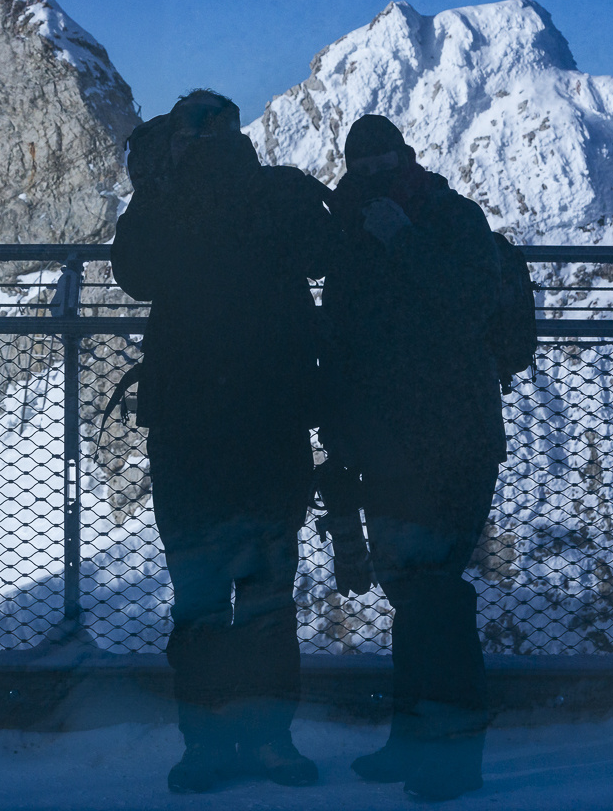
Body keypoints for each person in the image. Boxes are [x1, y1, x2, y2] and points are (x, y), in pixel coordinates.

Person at [110, 89, 336, 794]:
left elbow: (133, 275)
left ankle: (207, 749)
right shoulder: (277, 194)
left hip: (191, 438)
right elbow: (324, 251)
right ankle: (271, 745)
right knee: (267, 600)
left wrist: (156, 187)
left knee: (200, 601)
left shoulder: (168, 205)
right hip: (271, 430)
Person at [319, 114, 508, 801]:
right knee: (414, 595)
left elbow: (471, 305)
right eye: (360, 162)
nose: (370, 172)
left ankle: (452, 757)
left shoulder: (451, 219)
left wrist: (404, 244)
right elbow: (343, 335)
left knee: (434, 597)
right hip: (391, 446)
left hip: (451, 440)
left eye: (381, 160)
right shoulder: (352, 229)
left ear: (405, 157)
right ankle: (414, 741)